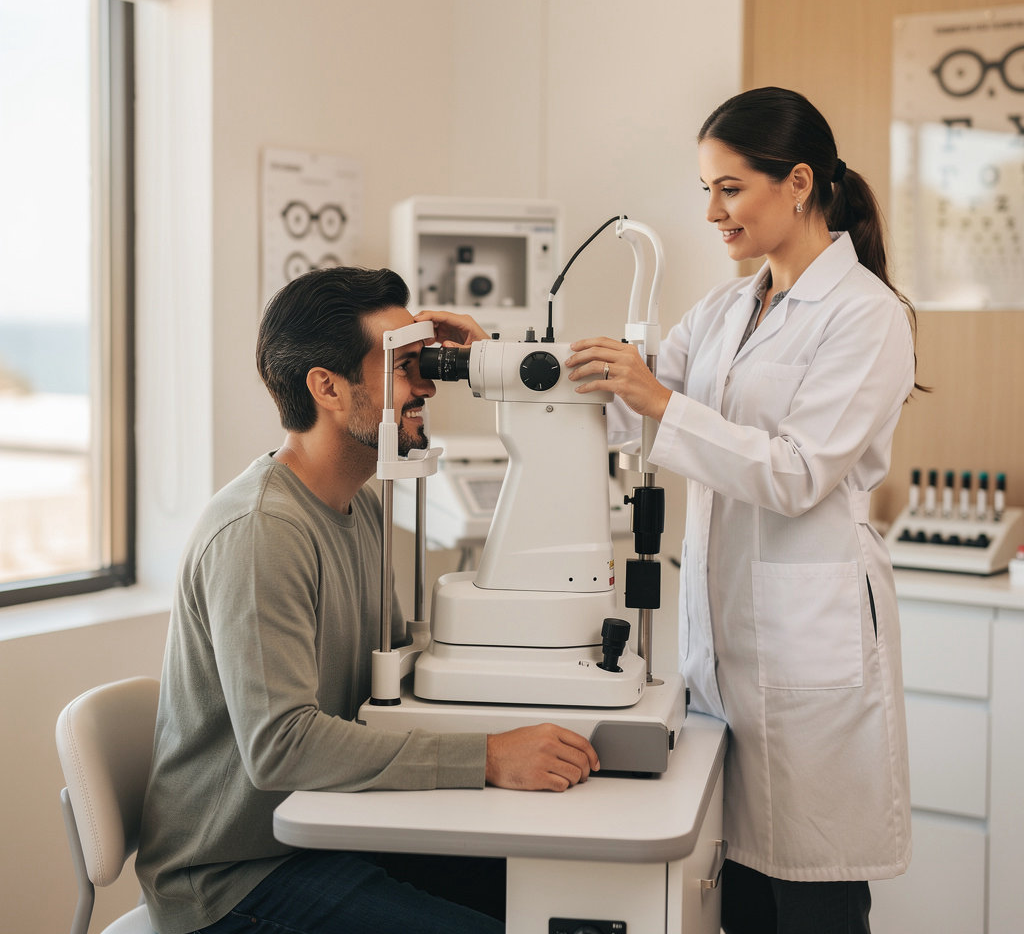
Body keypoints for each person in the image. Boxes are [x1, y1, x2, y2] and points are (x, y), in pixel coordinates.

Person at [421, 86, 917, 934]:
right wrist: (500, 361)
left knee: (812, 902)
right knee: (744, 902)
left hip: (810, 652)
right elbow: (619, 403)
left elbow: (797, 473)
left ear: (798, 184)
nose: (714, 213)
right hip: (721, 656)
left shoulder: (867, 316)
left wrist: (658, 401)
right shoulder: (726, 309)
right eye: (706, 191)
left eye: (731, 189)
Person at [135, 265, 600, 934]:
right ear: (326, 386)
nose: (427, 385)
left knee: (561, 893)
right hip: (237, 879)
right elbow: (282, 747)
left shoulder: (361, 506)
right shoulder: (263, 532)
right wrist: (490, 756)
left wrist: (490, 359)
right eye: (405, 366)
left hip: (335, 830)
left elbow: (394, 682)